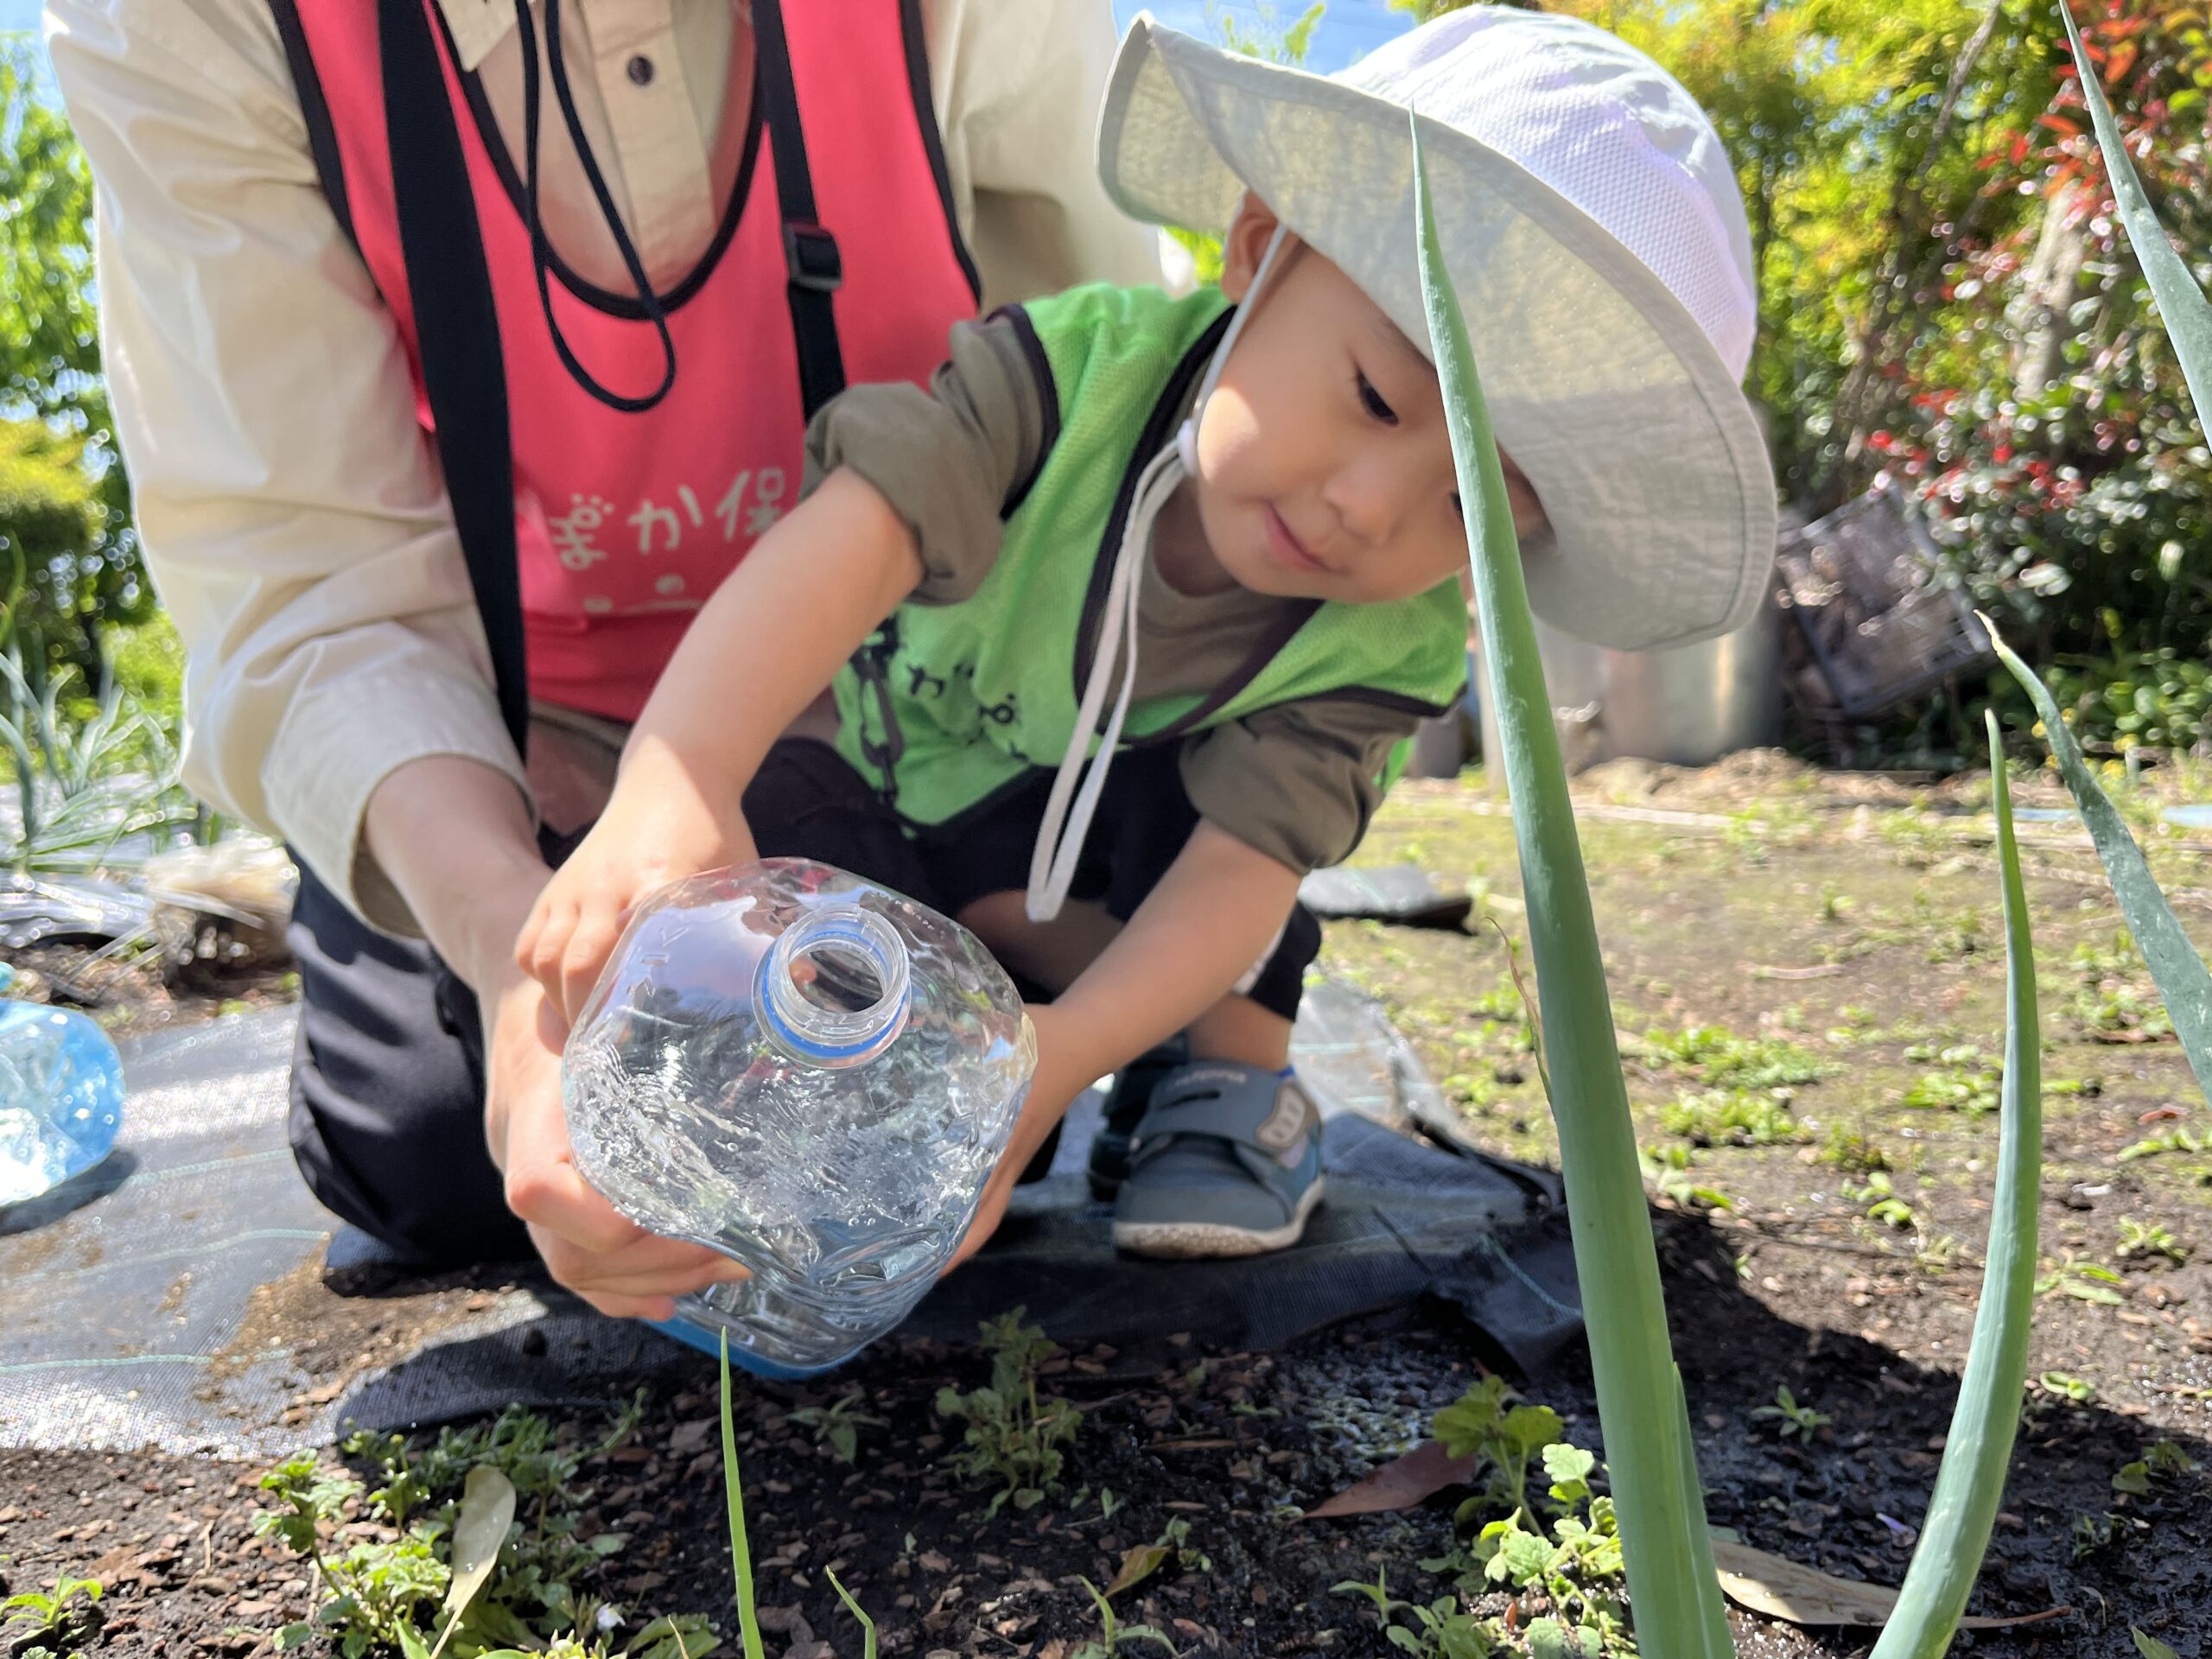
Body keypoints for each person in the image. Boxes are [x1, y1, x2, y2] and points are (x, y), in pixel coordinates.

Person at [517, 6, 1779, 1287]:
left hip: (1110, 877)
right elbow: (852, 535)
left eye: (1468, 504)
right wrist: (676, 781)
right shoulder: (1067, 377)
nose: (1367, 508)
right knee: (773, 883)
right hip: (889, 801)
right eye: (1376, 397)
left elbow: (1239, 873)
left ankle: (1224, 1080)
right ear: (1262, 249)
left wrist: (1053, 1060)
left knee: (1232, 863)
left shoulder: (1388, 645)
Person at [46, 0, 1161, 1317]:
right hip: (511, 729)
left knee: (904, 1057)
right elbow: (310, 574)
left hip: (906, 702)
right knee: (431, 1136)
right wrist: (512, 969)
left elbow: (1099, 416)